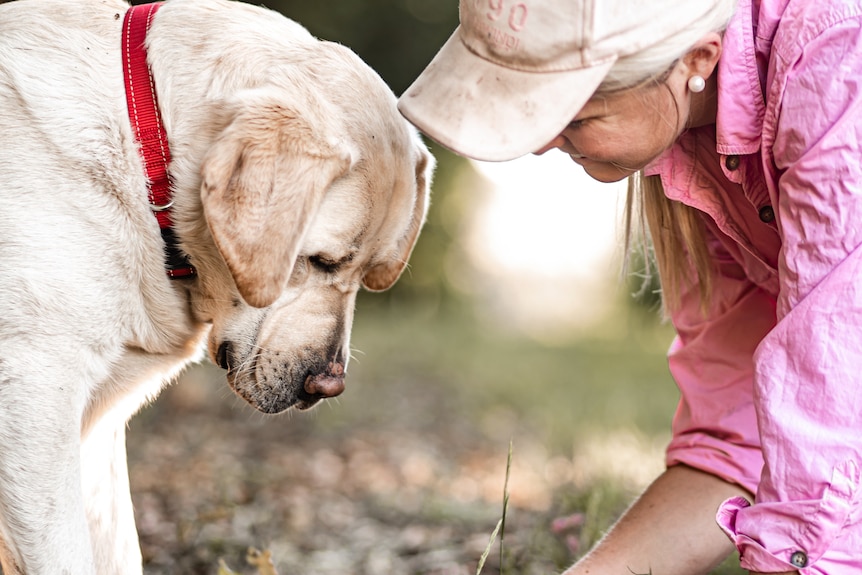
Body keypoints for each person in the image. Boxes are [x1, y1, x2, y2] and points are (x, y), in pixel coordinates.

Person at [397, 0, 862, 573]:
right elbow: (733, 437)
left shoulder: (838, 61)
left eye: (575, 116)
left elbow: (832, 414)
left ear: (697, 59)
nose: (541, 142)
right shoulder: (697, 149)